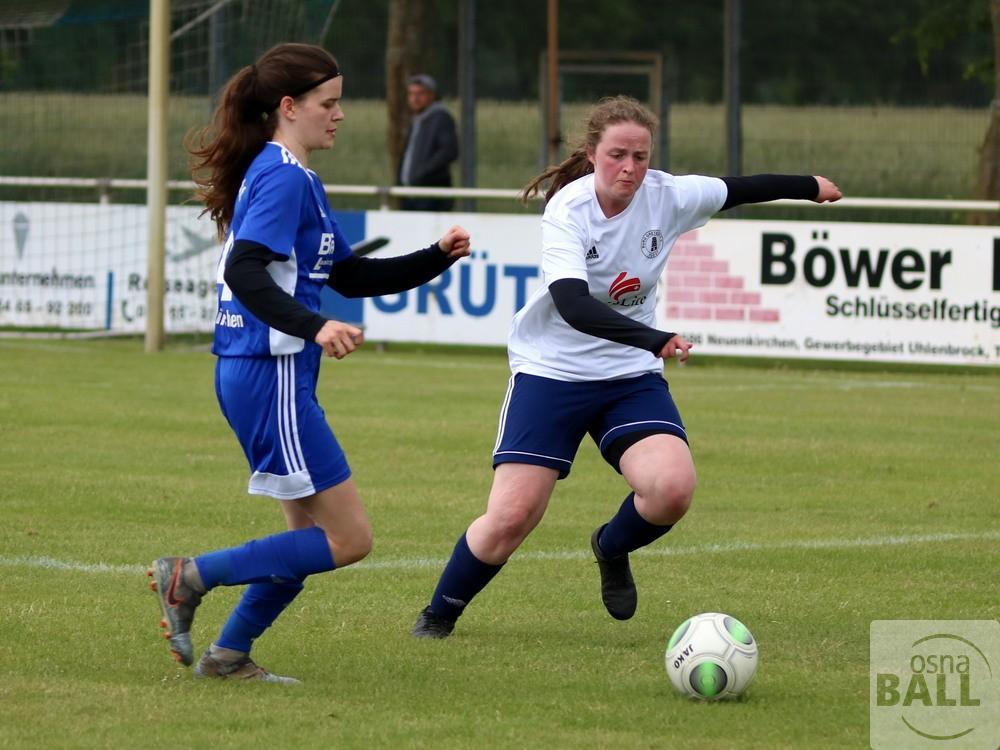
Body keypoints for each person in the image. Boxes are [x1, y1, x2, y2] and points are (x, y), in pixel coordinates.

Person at [410, 95, 841, 639]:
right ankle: (440, 613)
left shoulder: (667, 195)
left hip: (627, 374)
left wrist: (810, 185)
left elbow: (740, 188)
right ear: (592, 154)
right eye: (617, 154)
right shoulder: (568, 209)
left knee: (672, 489)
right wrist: (654, 337)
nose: (630, 168)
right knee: (513, 516)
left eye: (640, 156)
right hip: (552, 370)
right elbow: (572, 303)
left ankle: (610, 546)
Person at [146, 42, 471, 682]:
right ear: (289, 107)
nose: (340, 115)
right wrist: (315, 326)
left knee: (305, 542)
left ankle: (228, 656)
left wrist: (434, 255)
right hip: (271, 375)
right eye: (329, 103)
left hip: (268, 375)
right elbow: (244, 270)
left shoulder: (296, 177)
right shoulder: (284, 176)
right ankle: (188, 577)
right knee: (348, 540)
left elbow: (347, 274)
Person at [397, 73, 459, 212]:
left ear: (432, 95)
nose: (415, 98)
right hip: (410, 196)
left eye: (420, 93)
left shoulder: (440, 117)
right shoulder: (417, 120)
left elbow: (449, 151)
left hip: (430, 196)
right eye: (411, 94)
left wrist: (421, 174)